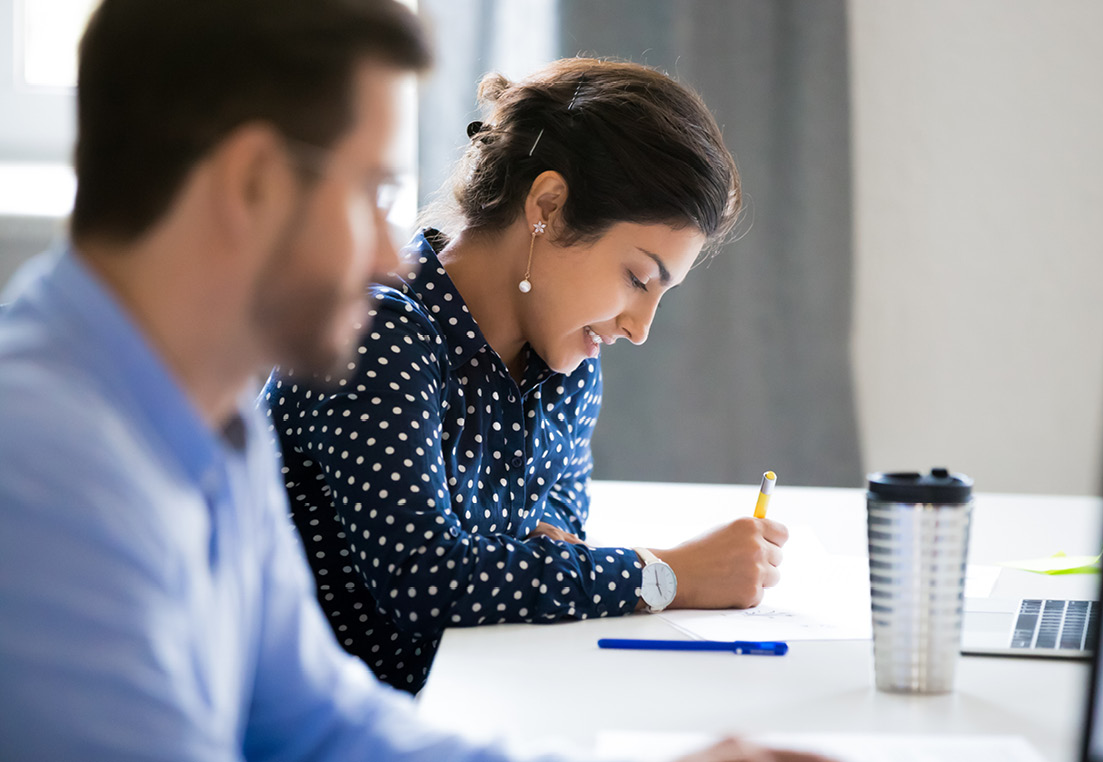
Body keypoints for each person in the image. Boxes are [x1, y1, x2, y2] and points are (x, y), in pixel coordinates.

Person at [0, 1, 828, 761]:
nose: (389, 255)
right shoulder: (44, 470)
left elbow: (321, 722)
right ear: (251, 183)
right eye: (369, 192)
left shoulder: (212, 423)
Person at [264, 57, 790, 694]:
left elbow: (552, 555)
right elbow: (428, 584)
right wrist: (669, 574)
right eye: (637, 279)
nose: (640, 327)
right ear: (549, 206)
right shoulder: (375, 330)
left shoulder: (566, 365)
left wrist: (531, 569)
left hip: (484, 707)